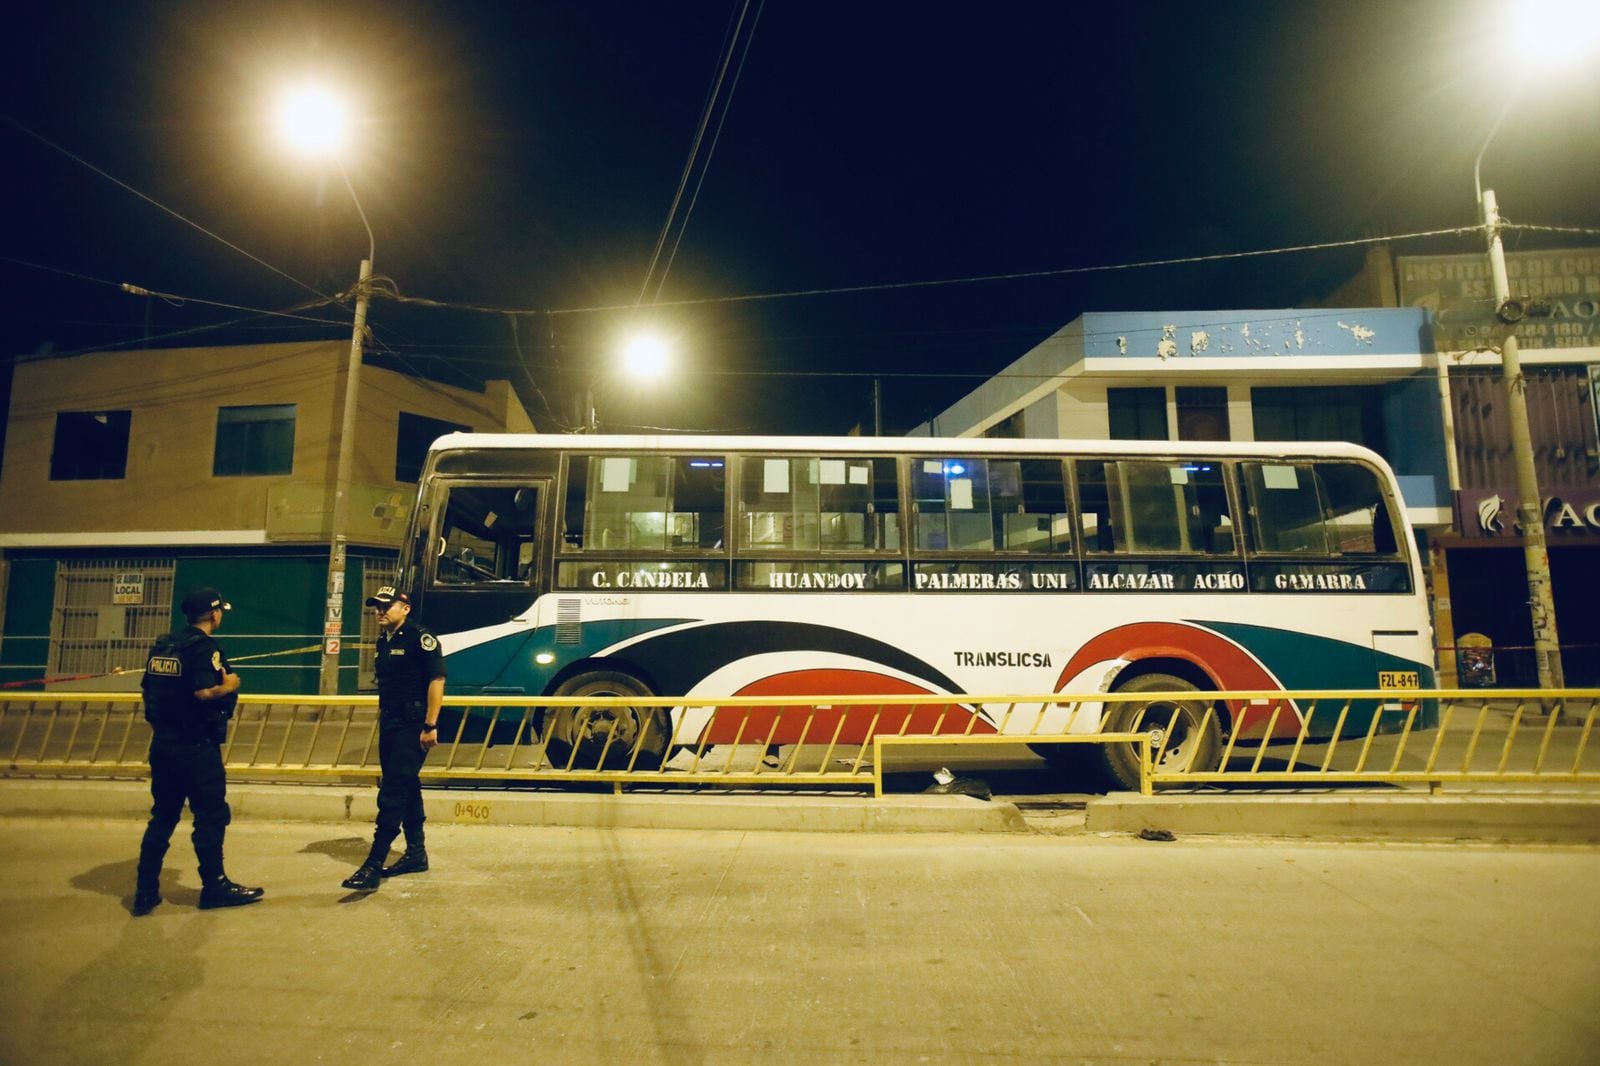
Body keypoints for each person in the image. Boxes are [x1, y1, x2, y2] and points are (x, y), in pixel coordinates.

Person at [133, 587, 264, 914]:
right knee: (211, 816)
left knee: (162, 816)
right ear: (214, 614)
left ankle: (145, 890)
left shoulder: (164, 645)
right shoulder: (204, 647)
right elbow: (205, 692)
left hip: (164, 745)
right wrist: (230, 685)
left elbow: (149, 692)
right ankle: (215, 886)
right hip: (196, 747)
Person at [342, 586, 446, 891]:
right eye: (376, 607)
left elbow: (436, 680)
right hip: (390, 722)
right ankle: (416, 853)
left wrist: (430, 724)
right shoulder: (384, 641)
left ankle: (373, 863)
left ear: (405, 608)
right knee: (407, 784)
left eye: (386, 606)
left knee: (393, 790)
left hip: (413, 725)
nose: (380, 612)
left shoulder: (420, 638)